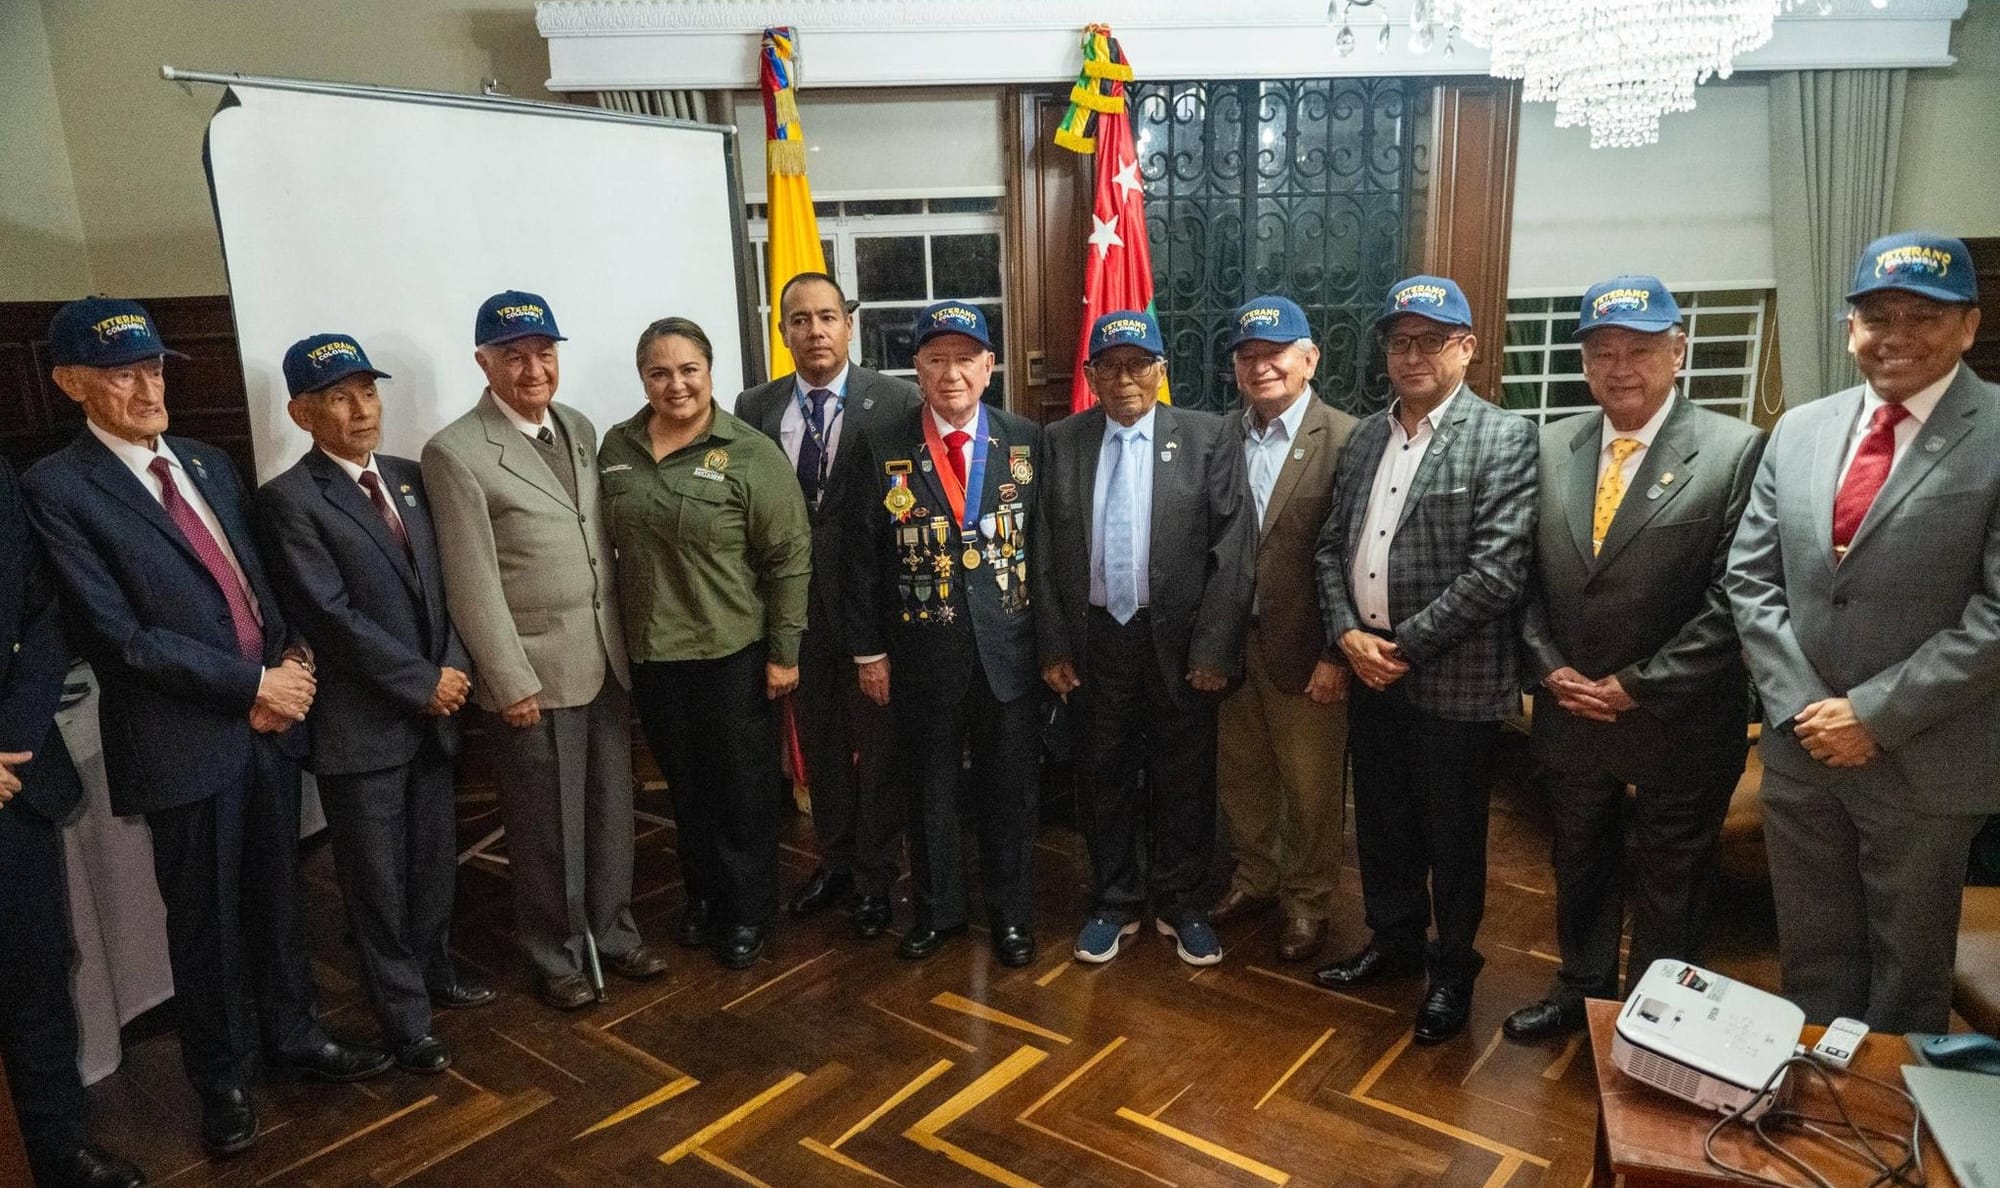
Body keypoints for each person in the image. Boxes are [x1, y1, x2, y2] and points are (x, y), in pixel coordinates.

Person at [24, 298, 389, 1156]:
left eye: (154, 369)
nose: (149, 387)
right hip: (187, 741)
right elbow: (120, 638)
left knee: (279, 895)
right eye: (124, 373)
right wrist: (251, 686)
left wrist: (292, 661)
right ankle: (222, 1079)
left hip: (269, 725)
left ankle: (296, 1036)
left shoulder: (206, 461)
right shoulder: (57, 488)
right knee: (206, 923)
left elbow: (258, 584)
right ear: (72, 384)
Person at [1726, 231, 2000, 1033]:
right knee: (1812, 959)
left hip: (1924, 758)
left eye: (1923, 315)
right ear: (1851, 328)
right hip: (1803, 754)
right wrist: (1809, 711)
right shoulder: (1801, 429)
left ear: (1967, 327)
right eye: (1878, 315)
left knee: (1909, 978)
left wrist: (1873, 715)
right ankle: (1815, 1104)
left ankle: (1890, 1134)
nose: (1897, 335)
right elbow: (1750, 577)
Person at [1504, 278, 1764, 1041]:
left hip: (1678, 716)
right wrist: (1546, 665)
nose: (1620, 367)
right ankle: (1581, 988)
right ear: (1584, 362)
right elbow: (1519, 575)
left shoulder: (1734, 449)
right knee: (1578, 859)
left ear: (1677, 352)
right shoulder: (1551, 442)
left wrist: (1636, 686)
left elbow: (1733, 599)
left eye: (1640, 350)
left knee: (1671, 880)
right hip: (1569, 705)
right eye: (1603, 352)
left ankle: (1661, 1017)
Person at [422, 290, 666, 1010]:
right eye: (515, 356)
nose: (534, 369)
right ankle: (556, 954)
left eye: (544, 353)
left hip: (604, 658)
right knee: (543, 827)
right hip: (532, 671)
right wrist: (508, 678)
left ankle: (613, 934)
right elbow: (471, 582)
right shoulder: (456, 451)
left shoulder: (581, 427)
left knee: (611, 811)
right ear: (484, 363)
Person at [257, 334, 493, 1075]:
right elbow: (328, 615)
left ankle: (436, 970)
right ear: (302, 411)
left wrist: (451, 668)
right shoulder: (289, 500)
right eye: (338, 396)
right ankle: (404, 1017)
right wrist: (421, 682)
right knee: (377, 883)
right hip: (364, 728)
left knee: (431, 864)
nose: (361, 410)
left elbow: (452, 584)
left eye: (368, 391)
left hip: (435, 710)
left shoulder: (410, 475)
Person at [1311, 276, 1538, 1043]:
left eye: (1430, 340)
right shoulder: (1367, 437)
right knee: (1380, 822)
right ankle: (1395, 940)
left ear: (1466, 348)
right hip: (1369, 670)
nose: (1411, 355)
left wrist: (1398, 648)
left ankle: (1452, 968)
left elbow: (1497, 571)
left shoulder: (1504, 437)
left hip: (1451, 678)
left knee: (1452, 836)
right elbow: (1329, 550)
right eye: (1399, 341)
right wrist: (1347, 636)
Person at [1036, 309, 1254, 966]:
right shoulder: (1061, 441)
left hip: (1182, 645)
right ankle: (1113, 899)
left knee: (1183, 776)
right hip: (1097, 638)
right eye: (1110, 365)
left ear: (1162, 371)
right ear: (1092, 376)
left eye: (1138, 364)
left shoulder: (1209, 437)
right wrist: (1053, 647)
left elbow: (1233, 551)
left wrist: (1215, 649)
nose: (1124, 377)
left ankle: (1182, 901)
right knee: (1101, 773)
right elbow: (1043, 552)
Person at [600, 317, 812, 969]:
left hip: (733, 654)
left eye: (688, 369)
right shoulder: (616, 447)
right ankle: (704, 900)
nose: (676, 384)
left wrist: (784, 652)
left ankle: (748, 912)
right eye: (659, 372)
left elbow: (789, 556)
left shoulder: (748, 452)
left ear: (710, 372)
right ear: (643, 378)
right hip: (655, 656)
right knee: (685, 790)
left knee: (742, 792)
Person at [838, 301, 1043, 967]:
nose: (951, 373)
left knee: (1008, 791)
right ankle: (938, 911)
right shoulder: (882, 443)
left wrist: (1051, 649)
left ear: (989, 367)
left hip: (1008, 652)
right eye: (936, 359)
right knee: (929, 788)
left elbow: (1044, 552)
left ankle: (1011, 917)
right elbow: (860, 557)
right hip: (921, 655)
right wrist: (868, 650)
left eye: (965, 359)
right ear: (917, 370)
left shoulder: (1024, 440)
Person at [735, 273, 919, 939]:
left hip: (876, 612)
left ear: (849, 325)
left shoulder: (897, 400)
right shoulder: (753, 406)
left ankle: (876, 875)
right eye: (798, 320)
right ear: (781, 332)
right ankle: (836, 862)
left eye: (826, 317)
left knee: (880, 750)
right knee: (820, 745)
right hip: (797, 616)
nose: (814, 331)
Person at [2, 453, 146, 1188]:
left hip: (11, 775)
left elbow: (40, 612)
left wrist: (11, 742)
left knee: (34, 973)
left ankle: (57, 1150)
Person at [1212, 296, 1359, 964]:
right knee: (1242, 777)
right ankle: (1256, 879)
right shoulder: (1219, 437)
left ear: (1309, 358)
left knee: (1311, 787)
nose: (1260, 365)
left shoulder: (1350, 438)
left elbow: (1356, 558)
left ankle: (1307, 901)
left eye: (1274, 353)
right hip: (1230, 647)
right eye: (1247, 356)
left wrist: (1338, 652)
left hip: (1307, 649)